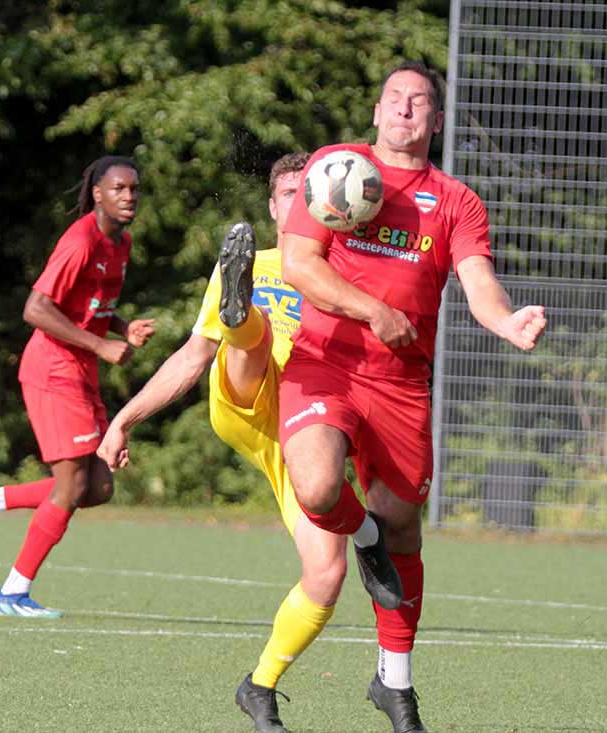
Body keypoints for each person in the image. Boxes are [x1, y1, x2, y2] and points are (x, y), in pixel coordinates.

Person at [279, 61, 548, 733]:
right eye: (394, 99)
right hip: (326, 363)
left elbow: (478, 280)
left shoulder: (455, 200)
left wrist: (506, 320)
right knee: (316, 489)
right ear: (376, 111)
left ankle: (395, 686)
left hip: (400, 382)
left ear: (435, 121)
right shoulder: (334, 171)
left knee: (402, 523)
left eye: (419, 102)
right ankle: (360, 533)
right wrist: (371, 310)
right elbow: (299, 264)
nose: (404, 109)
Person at [98, 153, 367, 733]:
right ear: (273, 208)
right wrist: (124, 418)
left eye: (310, 192)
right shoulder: (260, 260)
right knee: (252, 338)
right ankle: (241, 313)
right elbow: (192, 357)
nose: (299, 200)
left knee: (327, 573)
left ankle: (259, 685)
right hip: (243, 397)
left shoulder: (345, 273)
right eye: (289, 192)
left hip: (305, 431)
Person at [0, 155, 155, 618]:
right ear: (98, 193)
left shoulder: (121, 242)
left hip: (81, 371)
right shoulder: (80, 240)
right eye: (119, 188)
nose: (129, 196)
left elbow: (87, 303)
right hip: (53, 370)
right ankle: (12, 593)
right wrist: (101, 346)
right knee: (71, 485)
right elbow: (37, 308)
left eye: (134, 189)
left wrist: (122, 328)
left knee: (98, 487)